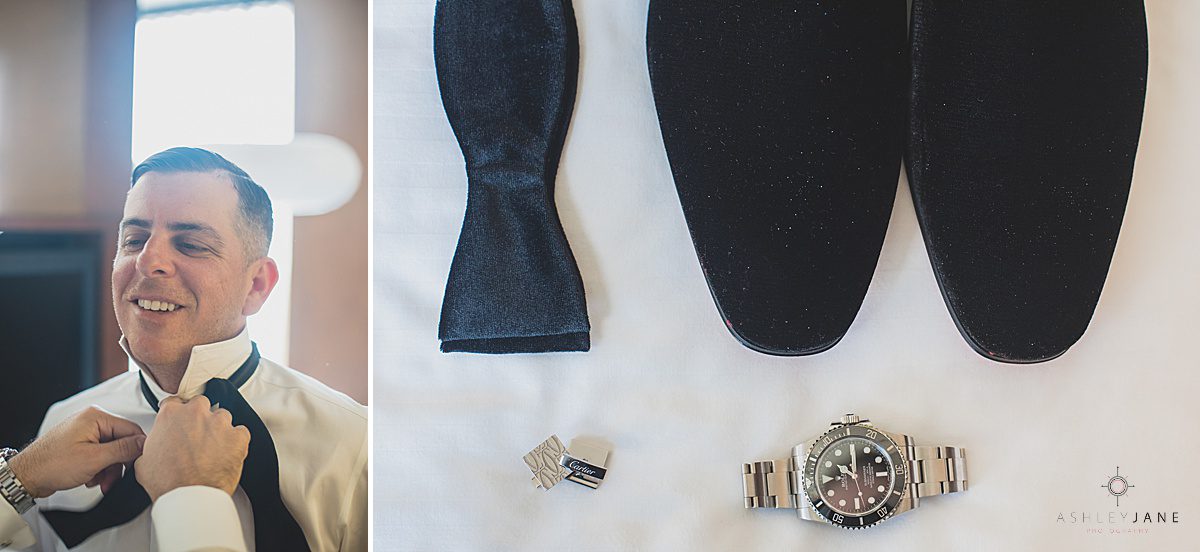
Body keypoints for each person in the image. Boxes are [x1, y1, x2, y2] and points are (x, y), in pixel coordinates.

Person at [0, 148, 367, 551]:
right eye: (135, 239)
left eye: (191, 244)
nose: (148, 260)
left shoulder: (354, 446)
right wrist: (17, 480)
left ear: (257, 285)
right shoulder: (61, 426)